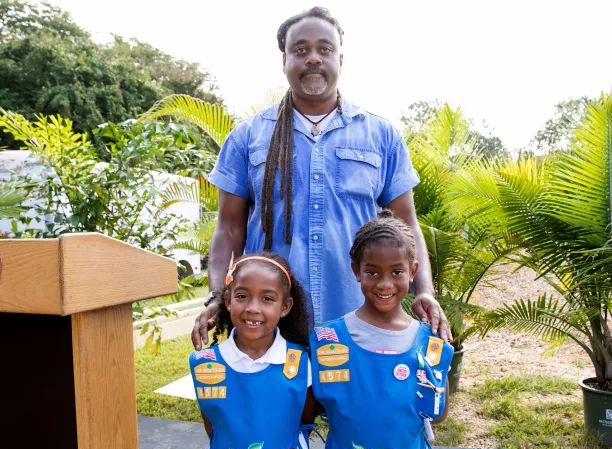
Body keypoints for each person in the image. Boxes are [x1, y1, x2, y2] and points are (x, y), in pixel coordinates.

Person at [192, 6, 451, 352]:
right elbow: (228, 229)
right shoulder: (247, 138)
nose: (313, 58)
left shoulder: (381, 136)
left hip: (360, 320)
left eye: (324, 49)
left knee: (355, 408)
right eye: (301, 50)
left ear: (340, 60)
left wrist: (425, 293)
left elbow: (407, 224)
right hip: (271, 326)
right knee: (282, 408)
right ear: (284, 60)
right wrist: (215, 296)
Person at [309, 210, 453, 449]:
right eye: (372, 272)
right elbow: (308, 411)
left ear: (413, 271)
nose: (385, 283)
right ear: (356, 271)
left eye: (397, 272)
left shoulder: (431, 345)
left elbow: (438, 414)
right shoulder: (327, 341)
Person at [188, 252, 315, 449]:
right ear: (228, 301)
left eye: (267, 298)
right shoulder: (206, 365)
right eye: (242, 296)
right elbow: (214, 428)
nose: (253, 308)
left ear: (285, 307)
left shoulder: (299, 362)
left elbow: (304, 419)